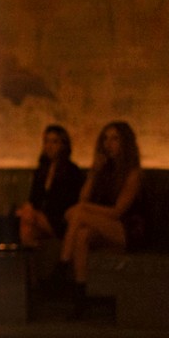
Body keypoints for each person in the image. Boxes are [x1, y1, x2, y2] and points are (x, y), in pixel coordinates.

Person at [58, 121, 142, 318]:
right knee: (82, 234)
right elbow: (83, 198)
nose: (108, 144)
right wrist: (93, 173)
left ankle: (61, 266)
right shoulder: (105, 171)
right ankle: (80, 298)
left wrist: (84, 209)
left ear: (125, 143)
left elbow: (117, 212)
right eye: (105, 139)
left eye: (115, 139)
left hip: (129, 231)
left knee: (78, 213)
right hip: (108, 228)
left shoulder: (133, 173)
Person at [15, 125, 85, 249]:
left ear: (63, 145)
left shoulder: (72, 171)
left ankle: (28, 253)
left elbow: (69, 203)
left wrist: (35, 212)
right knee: (26, 221)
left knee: (29, 217)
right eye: (46, 141)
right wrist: (28, 208)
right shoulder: (42, 170)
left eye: (55, 142)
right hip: (41, 218)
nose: (49, 146)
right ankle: (29, 254)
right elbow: (34, 199)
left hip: (61, 221)